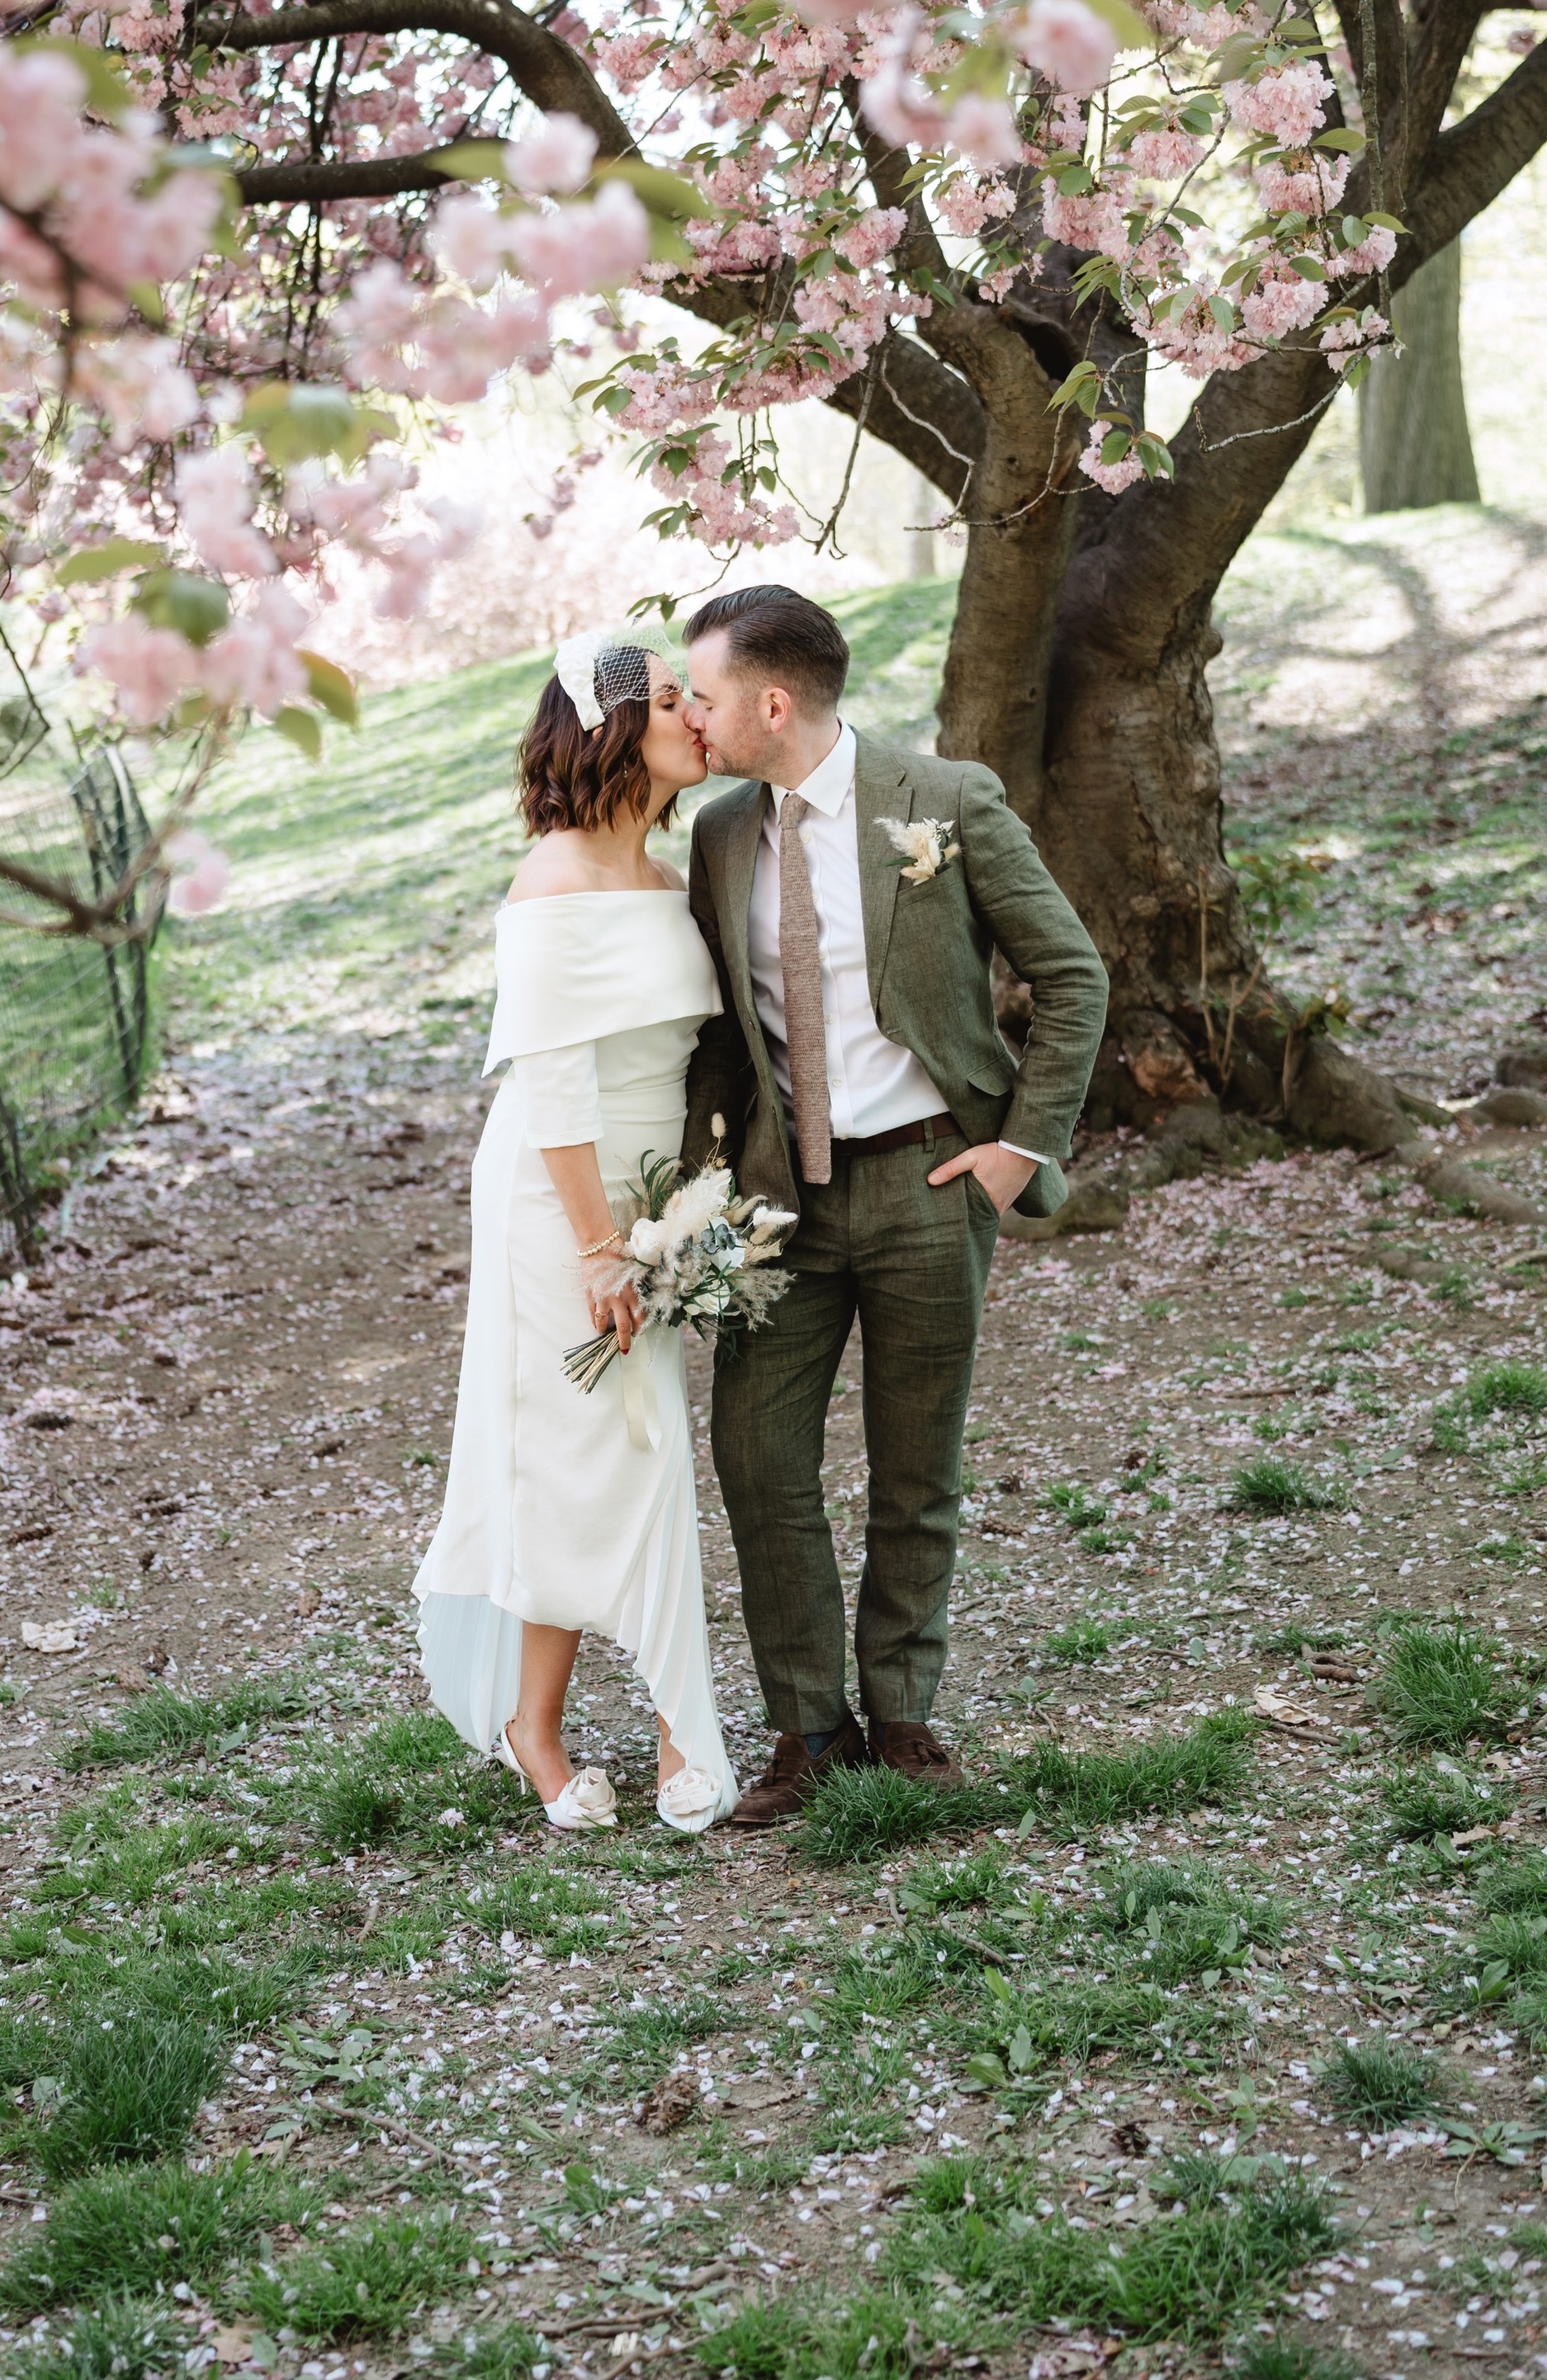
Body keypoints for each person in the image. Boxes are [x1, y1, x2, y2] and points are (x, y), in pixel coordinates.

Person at [678, 586, 1107, 1830]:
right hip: (779, 1205)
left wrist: (1021, 1148)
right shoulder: (717, 837)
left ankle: (903, 1711)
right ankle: (808, 1728)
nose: (692, 721)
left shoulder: (948, 802)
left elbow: (1070, 975)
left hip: (931, 1180)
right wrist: (699, 1185)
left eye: (704, 698)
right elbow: (722, 1037)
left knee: (916, 1468)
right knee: (759, 1461)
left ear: (772, 701)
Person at [414, 633, 740, 1835]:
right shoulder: (550, 880)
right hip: (561, 1201)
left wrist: (688, 1215)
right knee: (572, 1450)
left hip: (656, 1191)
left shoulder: (667, 878)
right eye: (668, 701)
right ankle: (534, 1731)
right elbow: (550, 1085)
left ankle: (673, 1735)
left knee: (646, 1453)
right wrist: (603, 1245)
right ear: (607, 729)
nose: (694, 717)